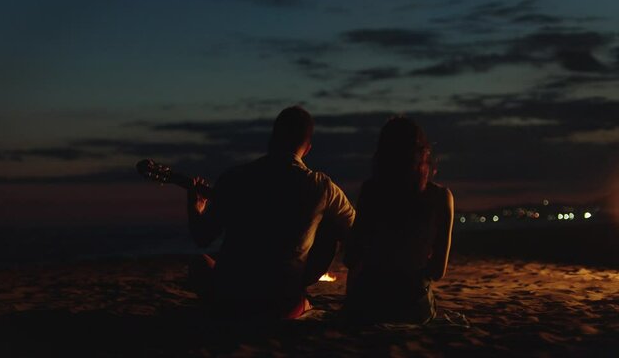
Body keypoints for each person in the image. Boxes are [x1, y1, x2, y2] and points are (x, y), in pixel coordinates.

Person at [187, 106, 356, 319]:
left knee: (200, 263)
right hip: (281, 302)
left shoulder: (234, 178)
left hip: (230, 296)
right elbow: (355, 230)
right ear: (308, 148)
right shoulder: (321, 187)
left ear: (272, 139)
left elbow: (202, 236)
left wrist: (195, 207)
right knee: (330, 225)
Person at [343, 116, 454, 324]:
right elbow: (438, 271)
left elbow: (351, 257)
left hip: (369, 302)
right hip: (413, 306)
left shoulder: (371, 191)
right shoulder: (441, 197)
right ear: (423, 153)